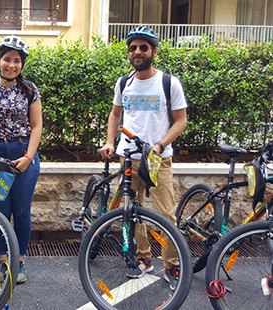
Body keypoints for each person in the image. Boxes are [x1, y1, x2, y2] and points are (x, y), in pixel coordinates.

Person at [99, 26, 187, 290]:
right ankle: (144, 259)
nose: (137, 52)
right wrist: (109, 142)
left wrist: (160, 146)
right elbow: (115, 114)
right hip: (129, 158)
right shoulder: (124, 82)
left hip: (158, 158)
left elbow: (181, 121)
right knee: (130, 212)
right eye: (133, 48)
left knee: (166, 215)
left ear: (154, 51)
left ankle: (172, 266)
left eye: (143, 47)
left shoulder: (168, 83)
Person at [0, 35, 43, 284]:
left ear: (22, 64)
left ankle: (20, 261)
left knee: (22, 211)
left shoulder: (29, 89)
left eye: (16, 60)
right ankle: (3, 260)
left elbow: (37, 127)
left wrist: (28, 157)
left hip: (24, 150)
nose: (11, 65)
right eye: (6, 59)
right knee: (0, 211)